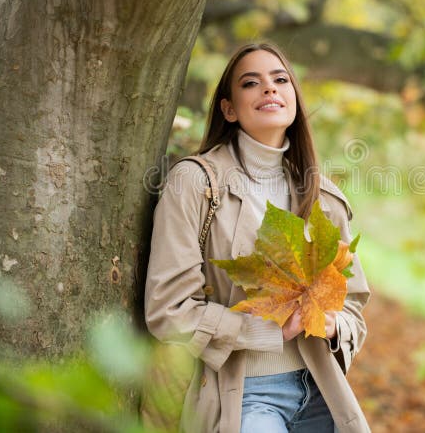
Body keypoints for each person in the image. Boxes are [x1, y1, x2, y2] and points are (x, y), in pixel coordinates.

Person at [144, 42, 371, 433]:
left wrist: (332, 325)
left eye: (280, 79)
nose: (269, 89)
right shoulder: (195, 183)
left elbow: (352, 306)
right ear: (229, 109)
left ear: (294, 99)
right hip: (244, 394)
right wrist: (263, 331)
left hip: (322, 392)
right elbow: (169, 310)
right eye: (251, 83)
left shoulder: (324, 198)